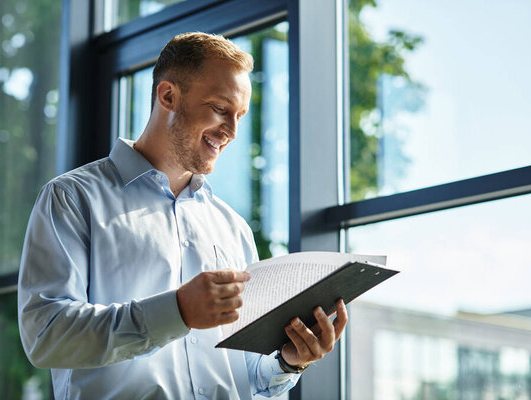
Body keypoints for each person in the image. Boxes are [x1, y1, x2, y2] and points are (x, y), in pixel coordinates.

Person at [18, 32, 348, 400]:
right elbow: (46, 336)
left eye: (239, 116)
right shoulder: (73, 198)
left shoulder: (232, 228)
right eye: (221, 109)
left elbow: (245, 375)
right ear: (168, 96)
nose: (232, 132)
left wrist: (288, 362)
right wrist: (176, 311)